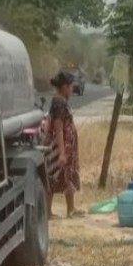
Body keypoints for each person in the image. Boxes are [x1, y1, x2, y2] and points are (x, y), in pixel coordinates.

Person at [47, 71, 82, 217]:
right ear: (64, 87)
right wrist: (61, 152)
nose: (72, 89)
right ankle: (48, 211)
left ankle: (71, 209)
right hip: (60, 147)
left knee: (68, 175)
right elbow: (58, 127)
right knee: (55, 176)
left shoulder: (60, 101)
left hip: (67, 147)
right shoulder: (59, 102)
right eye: (71, 86)